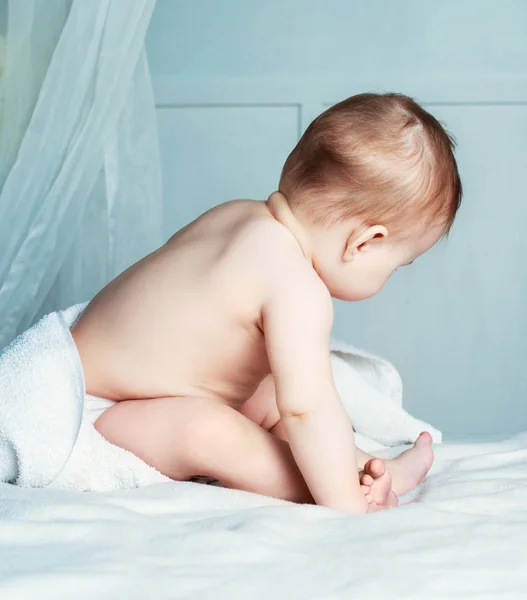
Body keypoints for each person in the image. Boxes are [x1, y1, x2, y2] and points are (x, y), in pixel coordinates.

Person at [71, 93, 462, 514]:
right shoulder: (297, 288)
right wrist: (348, 509)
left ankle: (367, 466)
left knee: (271, 390)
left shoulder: (237, 215)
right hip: (90, 418)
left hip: (105, 385)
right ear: (365, 242)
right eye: (397, 266)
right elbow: (308, 411)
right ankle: (345, 488)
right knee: (213, 431)